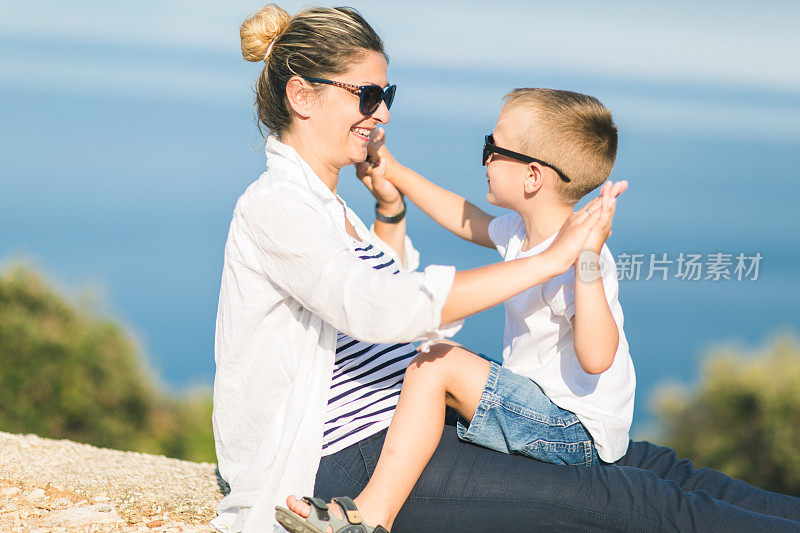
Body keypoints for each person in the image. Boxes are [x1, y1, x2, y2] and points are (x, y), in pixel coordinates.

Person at [213, 4, 800, 532]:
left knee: (665, 469)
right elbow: (374, 307)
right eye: (368, 97)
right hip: (348, 454)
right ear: (302, 96)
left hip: (415, 423)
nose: (382, 114)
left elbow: (383, 294)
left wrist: (390, 209)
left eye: (387, 95)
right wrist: (551, 259)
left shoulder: (330, 208)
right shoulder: (276, 207)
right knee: (638, 503)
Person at [276, 88, 635, 533]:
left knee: (434, 366)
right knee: (437, 358)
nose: (484, 158)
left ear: (532, 177)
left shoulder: (579, 259)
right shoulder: (526, 230)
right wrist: (396, 173)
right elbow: (467, 219)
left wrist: (586, 261)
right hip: (544, 402)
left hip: (574, 431)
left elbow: (598, 356)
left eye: (493, 147)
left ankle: (370, 517)